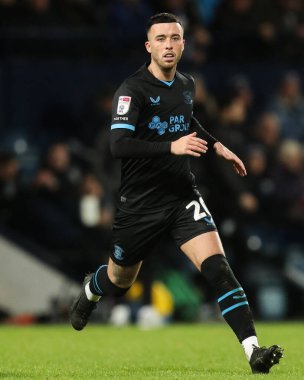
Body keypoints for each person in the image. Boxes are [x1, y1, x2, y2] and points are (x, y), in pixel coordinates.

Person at [70, 13, 283, 374]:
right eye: (161, 39)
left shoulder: (186, 84)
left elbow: (186, 121)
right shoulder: (131, 90)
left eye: (175, 38)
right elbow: (118, 145)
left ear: (184, 44)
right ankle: (92, 288)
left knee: (218, 268)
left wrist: (216, 146)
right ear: (148, 46)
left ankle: (253, 352)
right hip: (139, 203)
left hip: (182, 196)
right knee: (121, 280)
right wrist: (172, 147)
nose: (169, 45)